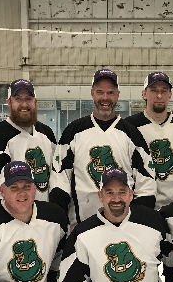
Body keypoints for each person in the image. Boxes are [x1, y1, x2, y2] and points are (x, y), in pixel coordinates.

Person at [55, 69, 157, 226]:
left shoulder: (131, 134)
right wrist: (61, 217)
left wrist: (135, 220)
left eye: (110, 93)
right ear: (92, 93)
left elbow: (147, 182)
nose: (105, 98)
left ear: (118, 95)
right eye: (100, 92)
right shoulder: (73, 131)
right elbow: (60, 177)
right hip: (82, 227)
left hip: (123, 226)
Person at [0, 79, 67, 210]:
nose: (24, 104)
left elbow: (56, 173)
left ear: (35, 102)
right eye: (18, 99)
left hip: (43, 214)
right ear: (9, 102)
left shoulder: (46, 133)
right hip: (14, 216)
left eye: (28, 99)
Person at [123, 72, 173, 209]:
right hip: (143, 207)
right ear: (144, 94)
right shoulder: (130, 126)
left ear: (170, 95)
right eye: (153, 90)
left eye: (164, 91)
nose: (159, 96)